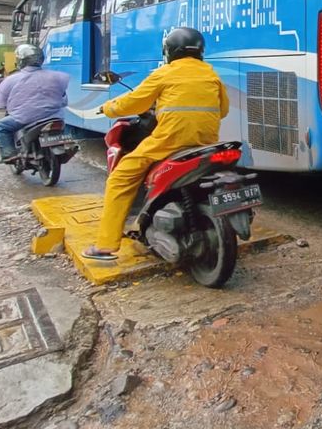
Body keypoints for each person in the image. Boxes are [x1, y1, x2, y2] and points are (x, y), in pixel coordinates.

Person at [84, 27, 228, 261]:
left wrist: (108, 108)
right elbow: (223, 110)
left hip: (170, 141)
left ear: (169, 51)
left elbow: (133, 102)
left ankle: (106, 245)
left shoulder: (164, 73)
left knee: (120, 178)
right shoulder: (211, 74)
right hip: (206, 141)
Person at [0, 44, 70, 161]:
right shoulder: (57, 77)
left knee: (2, 126)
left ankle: (9, 154)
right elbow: (64, 101)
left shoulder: (12, 79)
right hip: (55, 117)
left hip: (25, 117)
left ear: (21, 61)